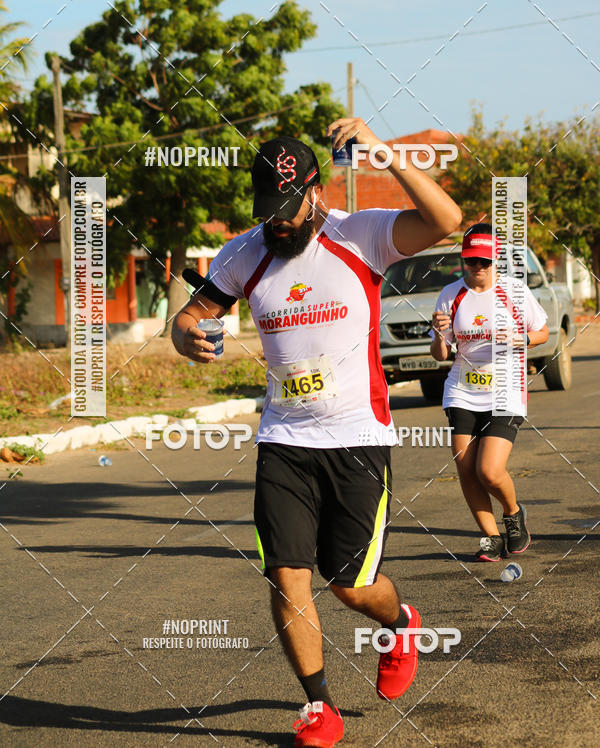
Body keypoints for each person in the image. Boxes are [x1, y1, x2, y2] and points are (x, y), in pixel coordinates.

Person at [172, 120, 462, 747]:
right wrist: (184, 333)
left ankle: (402, 624)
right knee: (287, 575)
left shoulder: (360, 235)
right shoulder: (244, 253)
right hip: (284, 440)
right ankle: (318, 707)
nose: (277, 223)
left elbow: (444, 218)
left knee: (352, 588)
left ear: (315, 193)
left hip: (358, 438)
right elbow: (195, 312)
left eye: (287, 209)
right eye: (266, 212)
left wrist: (386, 156)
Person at [430, 223, 549, 562]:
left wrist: (523, 340)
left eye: (483, 261)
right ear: (463, 260)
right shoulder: (451, 295)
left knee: (489, 471)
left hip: (505, 389)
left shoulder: (513, 291)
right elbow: (440, 355)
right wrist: (440, 336)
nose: (477, 268)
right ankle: (491, 537)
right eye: (471, 262)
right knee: (466, 469)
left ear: (494, 259)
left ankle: (512, 513)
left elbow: (542, 332)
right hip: (462, 390)